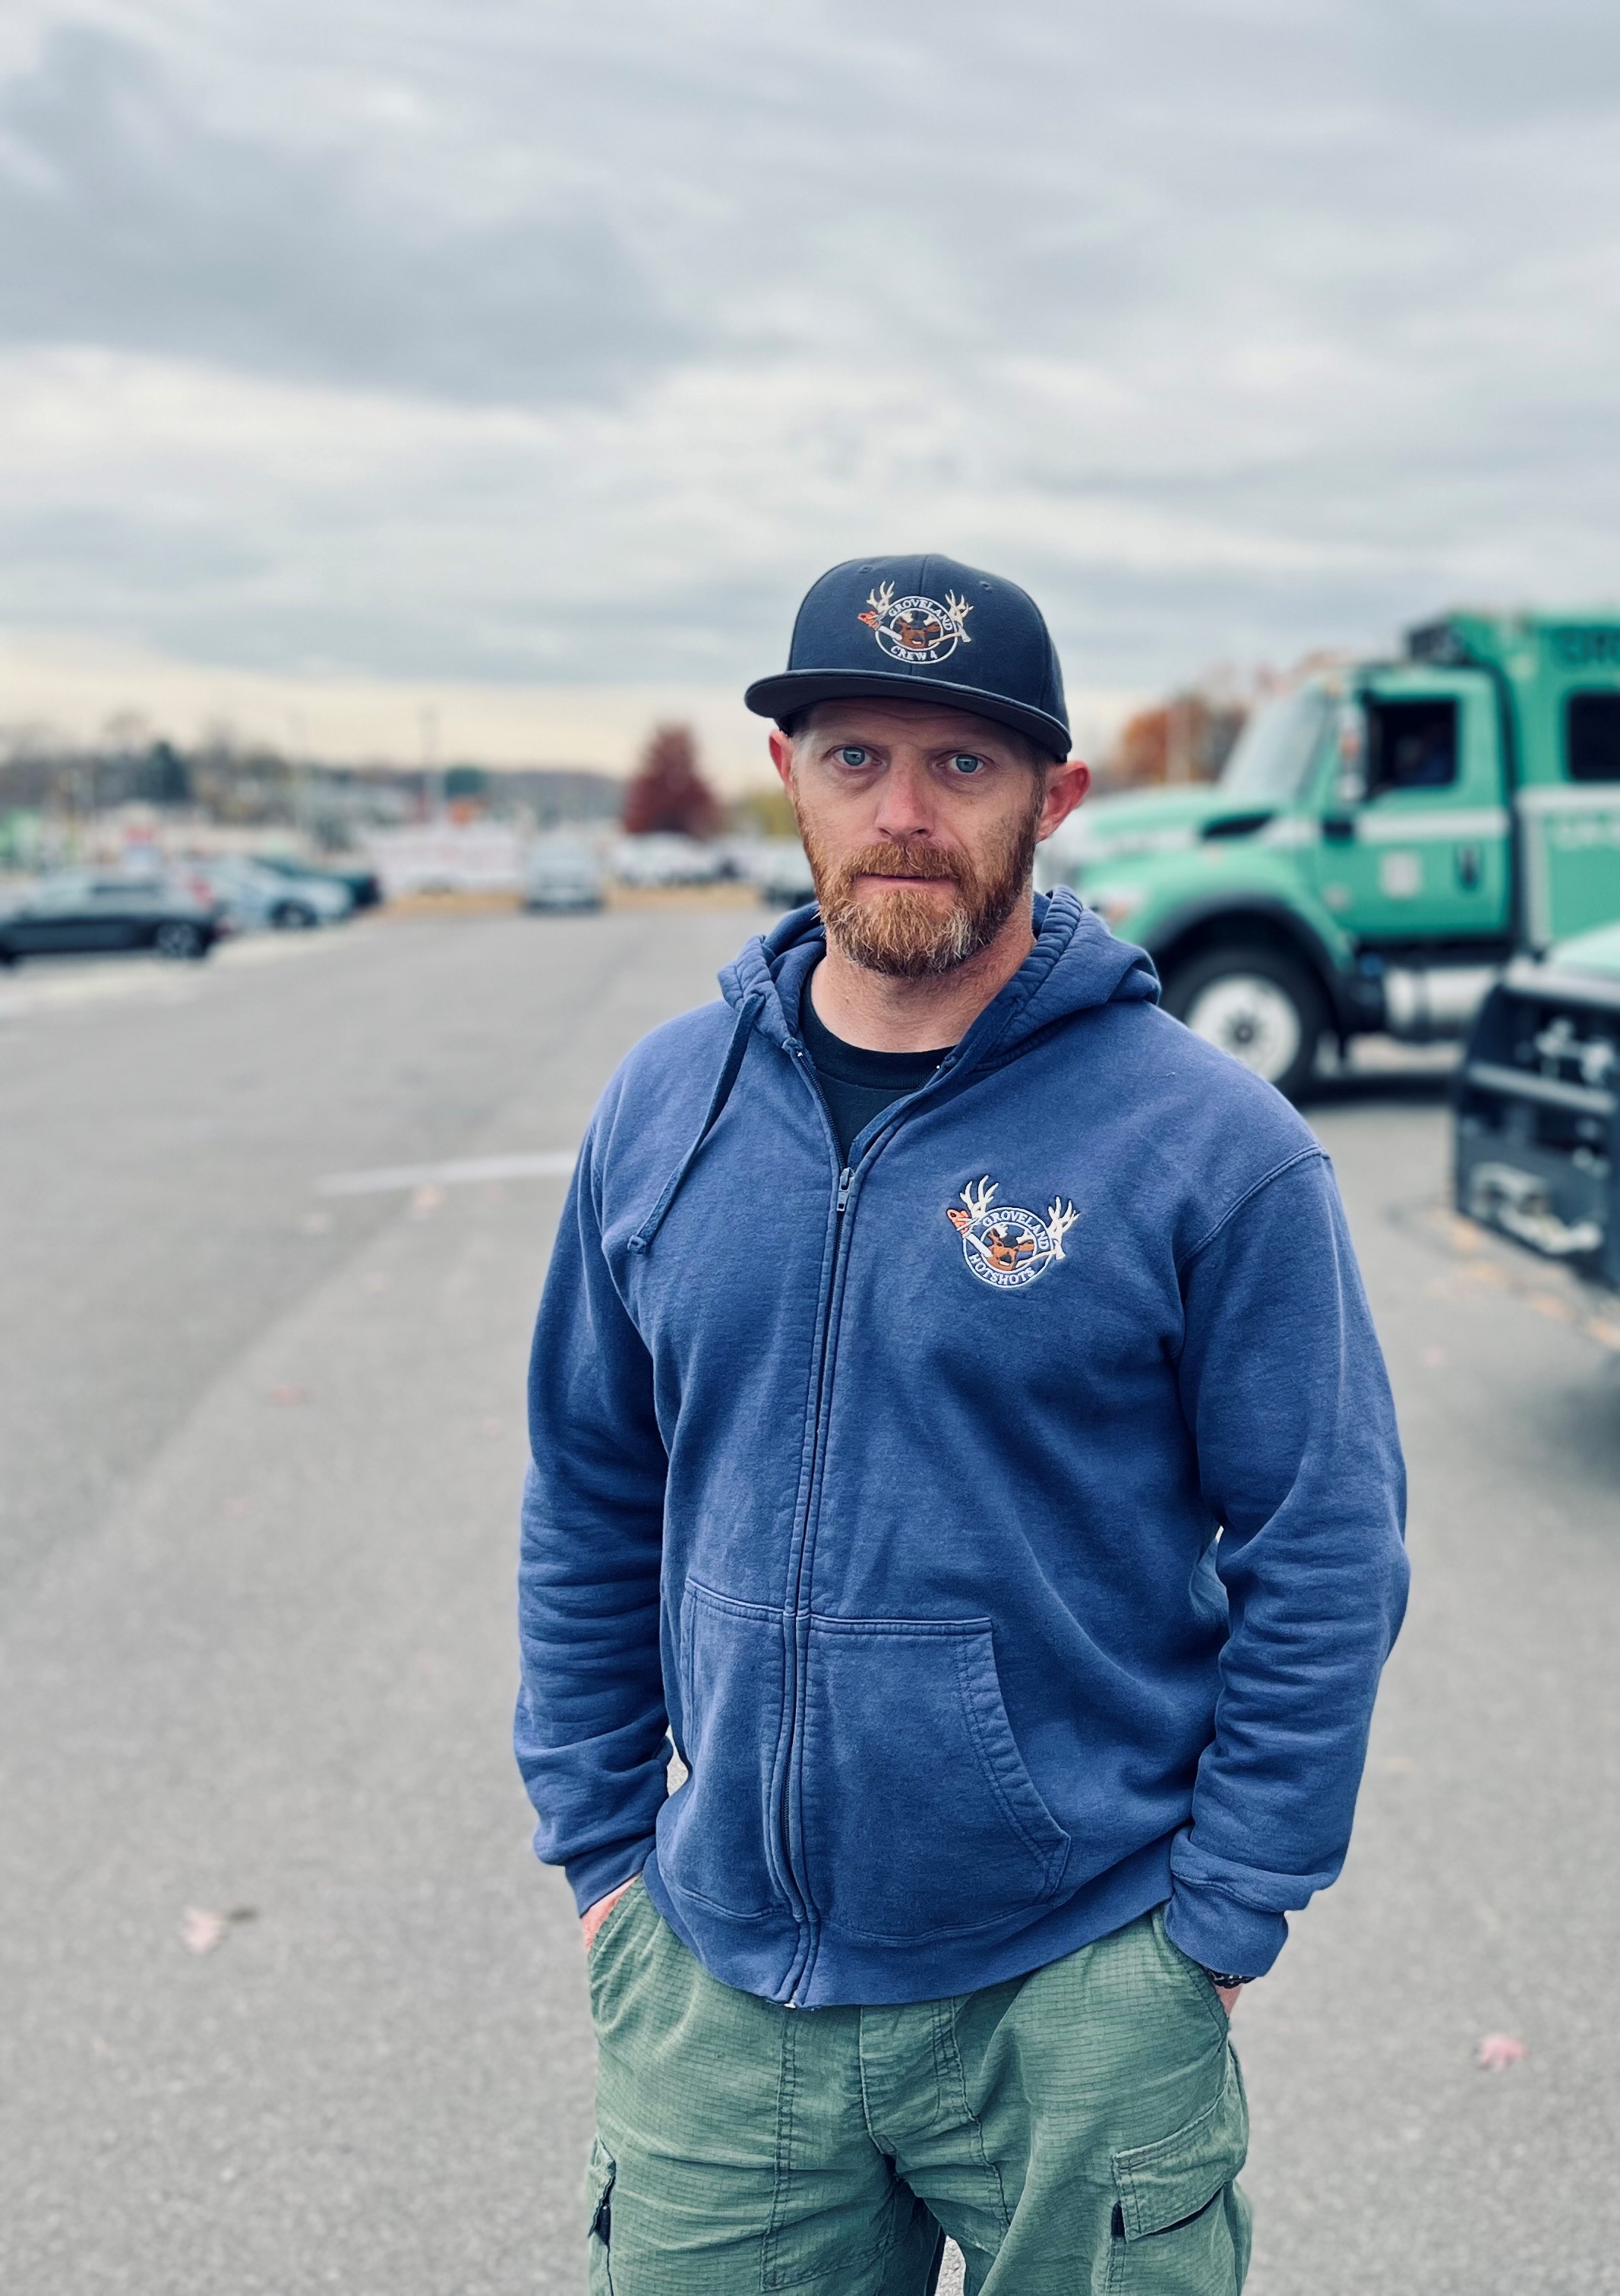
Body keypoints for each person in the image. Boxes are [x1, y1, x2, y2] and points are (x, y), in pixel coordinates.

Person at [514, 552, 1409, 2294]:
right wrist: (604, 1856)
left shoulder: (1209, 1149)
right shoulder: (660, 1111)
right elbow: (589, 1486)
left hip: (1079, 1995)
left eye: (963, 766)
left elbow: (1328, 1548)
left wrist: (1218, 1929)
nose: (903, 813)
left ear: (1055, 795)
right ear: (789, 777)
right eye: (856, 758)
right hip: (718, 1989)